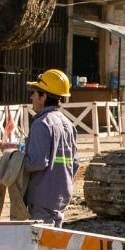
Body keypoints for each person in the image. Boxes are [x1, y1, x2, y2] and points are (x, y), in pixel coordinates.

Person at [23, 68, 79, 226]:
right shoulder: (68, 124)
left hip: (42, 197)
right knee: (55, 240)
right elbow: (74, 163)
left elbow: (37, 163)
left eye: (34, 92)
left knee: (42, 244)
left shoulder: (42, 124)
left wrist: (18, 160)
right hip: (61, 195)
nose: (31, 96)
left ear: (44, 96)